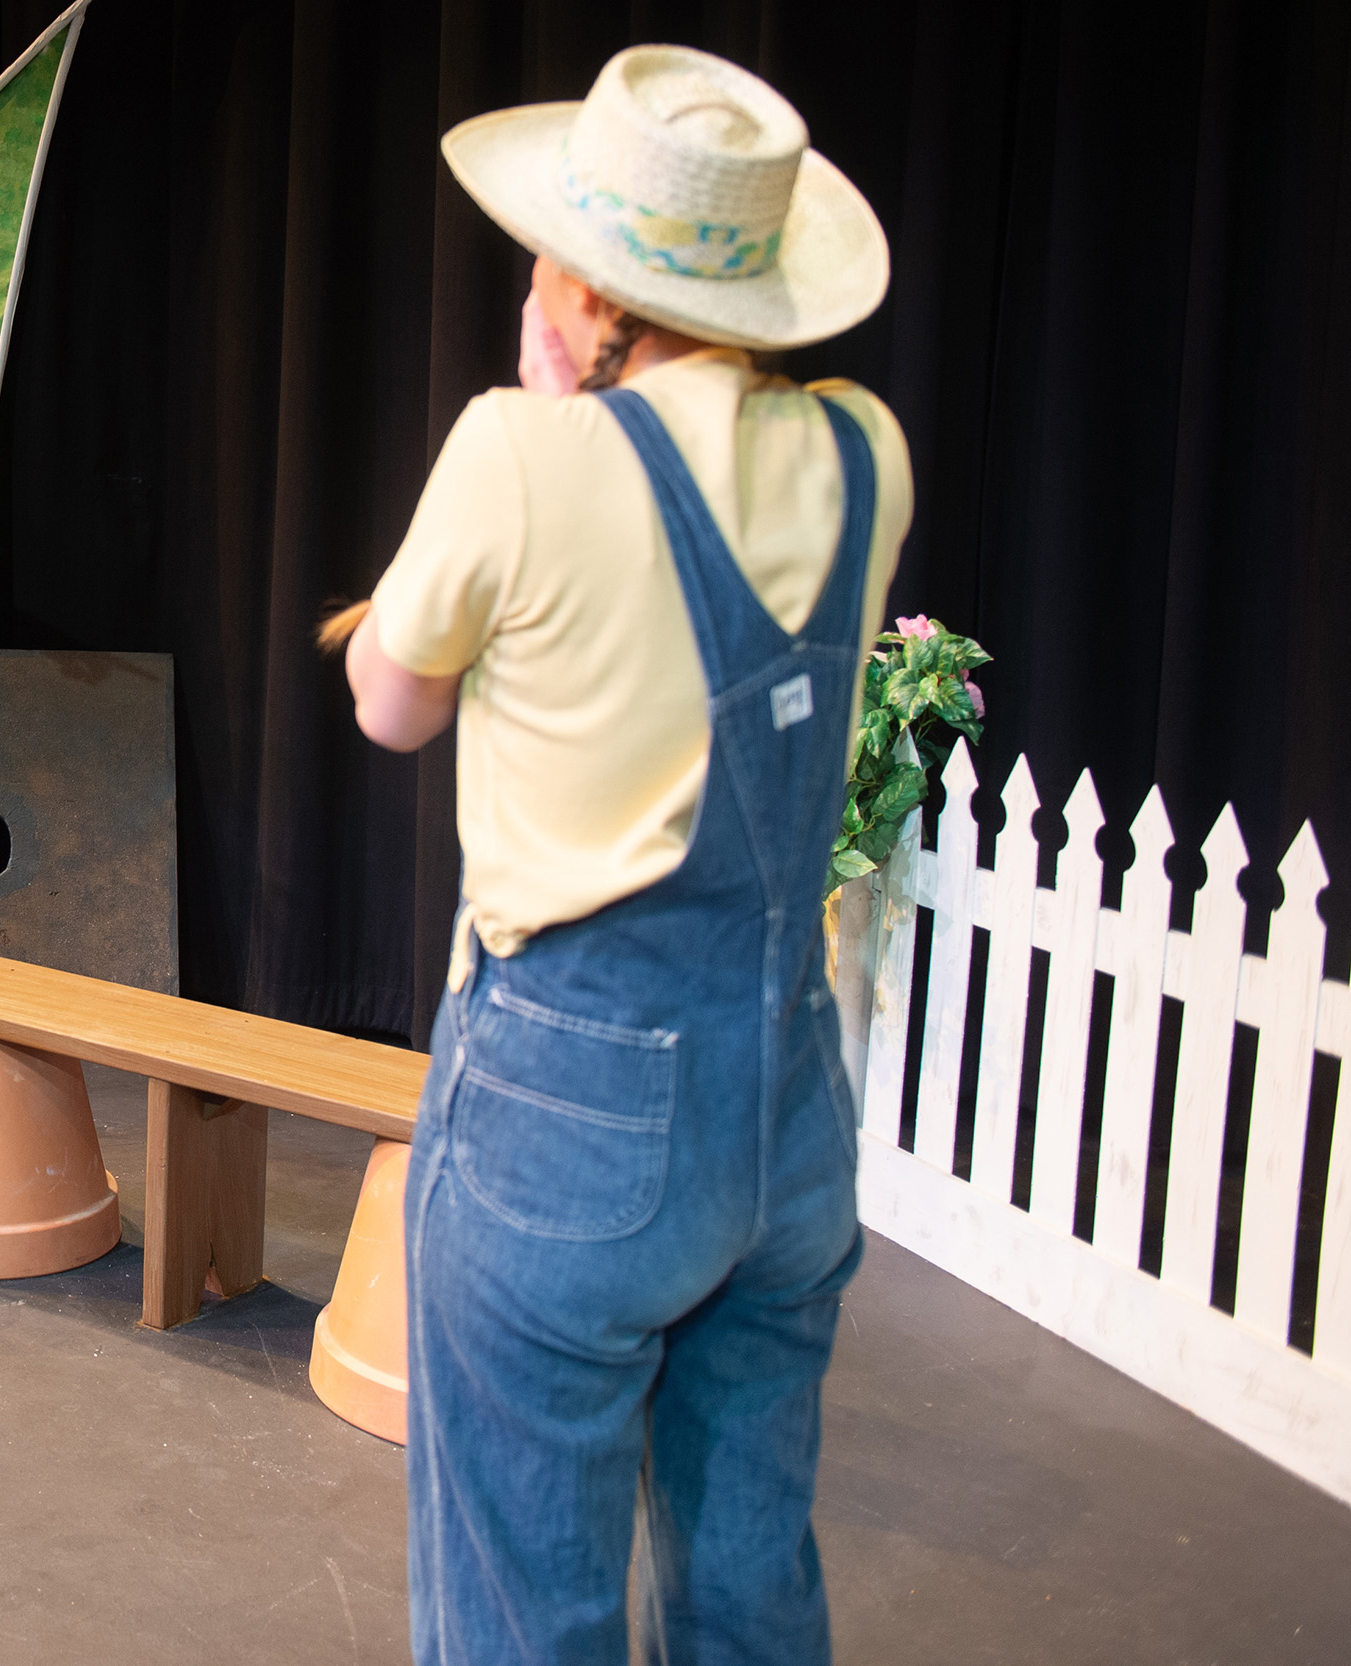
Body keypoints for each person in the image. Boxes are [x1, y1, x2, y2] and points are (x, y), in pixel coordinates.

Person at [341, 46, 912, 1665]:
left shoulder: (517, 453)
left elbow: (390, 703)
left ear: (587, 289)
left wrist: (548, 406)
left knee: (527, 1599)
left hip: (565, 1111)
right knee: (748, 1587)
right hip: (784, 1094)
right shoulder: (867, 451)